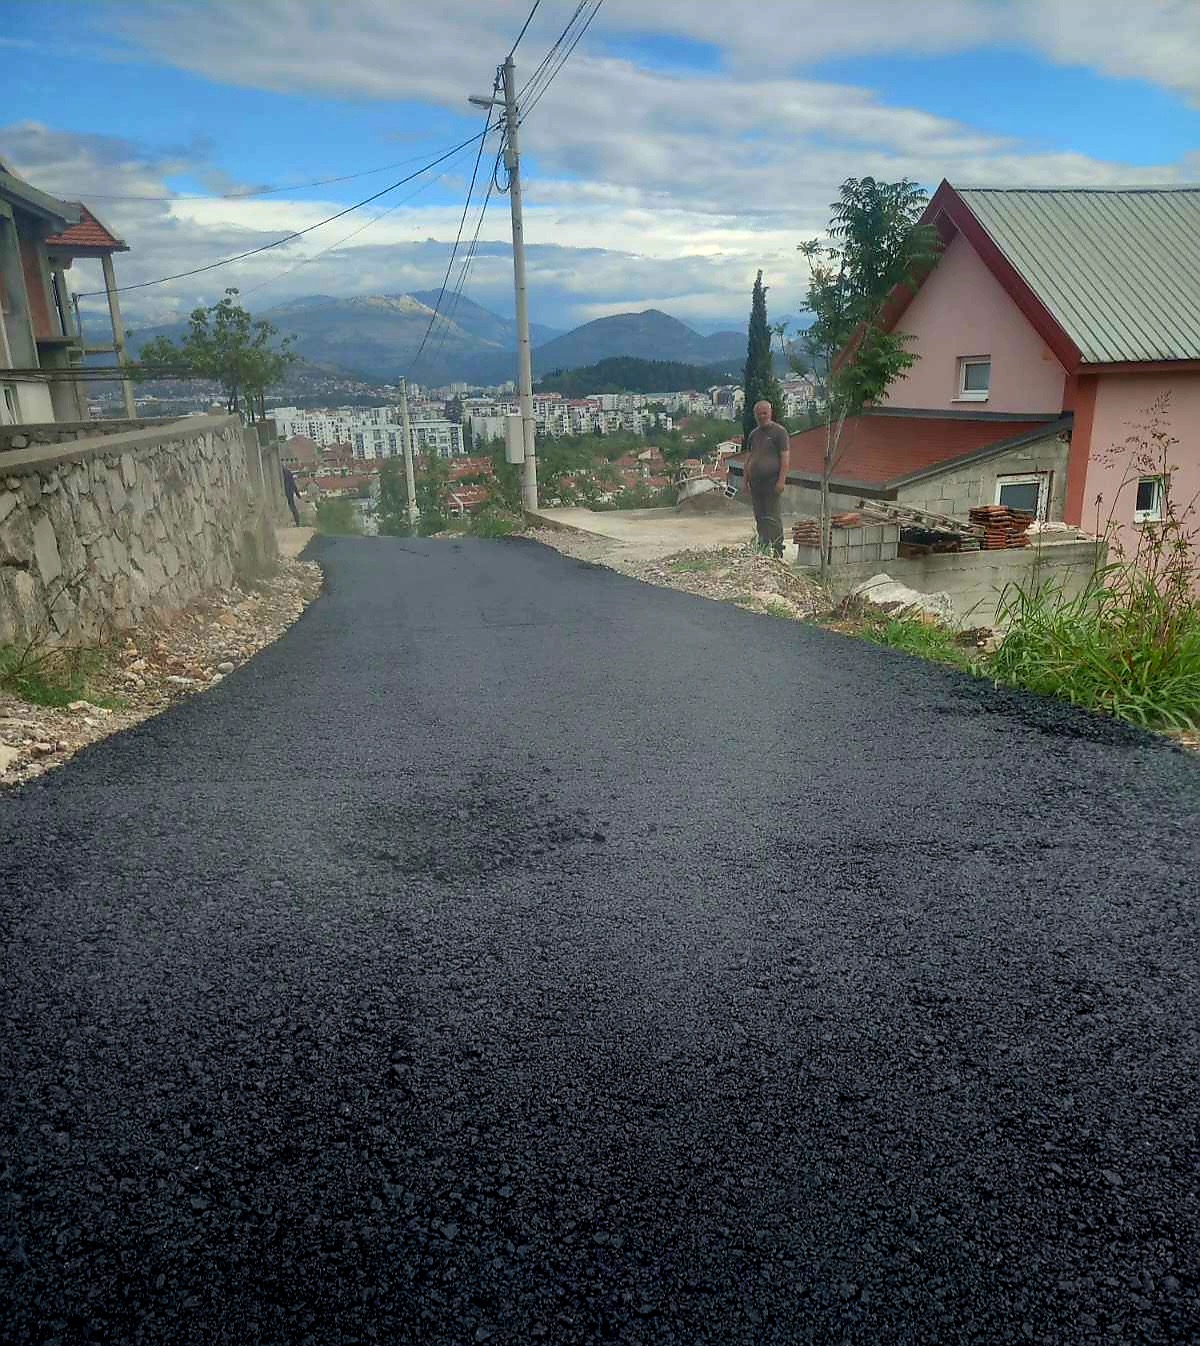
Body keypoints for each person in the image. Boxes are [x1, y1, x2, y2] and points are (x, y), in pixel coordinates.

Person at [742, 399, 789, 557]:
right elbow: (748, 459)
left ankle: (777, 549)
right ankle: (763, 547)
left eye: (764, 413)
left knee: (772, 516)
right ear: (755, 415)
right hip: (756, 483)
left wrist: (781, 480)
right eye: (759, 414)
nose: (762, 416)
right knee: (760, 516)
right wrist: (745, 481)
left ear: (770, 413)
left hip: (772, 482)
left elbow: (785, 458)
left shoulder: (779, 432)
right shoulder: (753, 435)